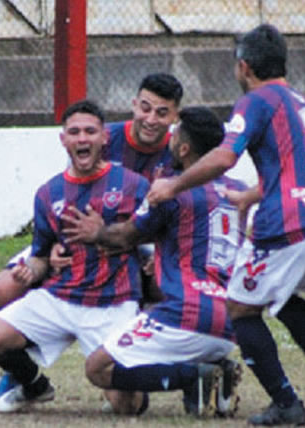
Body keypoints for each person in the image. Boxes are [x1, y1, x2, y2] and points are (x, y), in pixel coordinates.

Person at [147, 24, 305, 426]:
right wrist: (249, 196)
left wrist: (172, 186)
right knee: (287, 297)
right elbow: (299, 171)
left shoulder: (258, 100)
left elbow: (225, 157)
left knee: (241, 309)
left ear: (243, 66)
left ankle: (285, 402)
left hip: (287, 226)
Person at [0, 73, 182, 406]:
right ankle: (22, 378)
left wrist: (146, 248)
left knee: (167, 287)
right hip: (72, 266)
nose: (150, 119)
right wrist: (44, 260)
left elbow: (172, 219)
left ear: (174, 117)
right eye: (145, 108)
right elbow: (68, 203)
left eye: (161, 113)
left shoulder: (179, 151)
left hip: (131, 255)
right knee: (0, 292)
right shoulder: (66, 175)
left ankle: (187, 373)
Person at [62, 106, 246, 417]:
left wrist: (97, 233)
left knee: (98, 368)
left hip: (186, 314)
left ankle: (196, 377)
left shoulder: (169, 190)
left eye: (175, 137)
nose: (170, 141)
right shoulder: (239, 191)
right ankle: (217, 370)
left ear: (184, 148)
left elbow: (126, 236)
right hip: (231, 323)